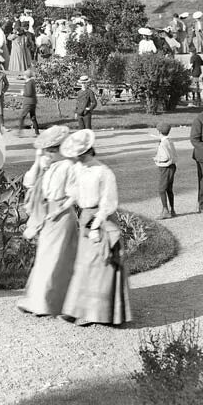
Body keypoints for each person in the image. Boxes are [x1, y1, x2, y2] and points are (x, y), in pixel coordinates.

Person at [59, 129, 132, 327]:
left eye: (81, 155)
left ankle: (98, 312)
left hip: (102, 219)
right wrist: (63, 207)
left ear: (90, 151)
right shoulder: (79, 169)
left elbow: (108, 203)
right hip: (85, 217)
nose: (78, 159)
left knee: (99, 265)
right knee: (83, 265)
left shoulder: (104, 172)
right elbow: (74, 192)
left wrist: (96, 225)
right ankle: (75, 309)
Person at [17, 125, 77, 316]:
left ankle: (47, 303)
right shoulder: (48, 166)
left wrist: (59, 209)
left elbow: (75, 194)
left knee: (56, 258)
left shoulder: (69, 166)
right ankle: (39, 299)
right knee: (45, 257)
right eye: (47, 151)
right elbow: (28, 182)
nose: (48, 154)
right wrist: (37, 161)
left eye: (52, 151)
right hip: (48, 213)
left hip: (62, 215)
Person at [151, 121, 178, 218]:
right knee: (169, 189)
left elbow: (165, 157)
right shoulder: (169, 140)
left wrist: (156, 159)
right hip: (172, 167)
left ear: (159, 132)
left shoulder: (163, 144)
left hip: (165, 168)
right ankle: (172, 210)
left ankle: (165, 210)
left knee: (161, 189)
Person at [17, 66, 40, 135]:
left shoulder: (29, 83)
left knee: (22, 116)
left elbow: (29, 93)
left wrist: (23, 93)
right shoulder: (31, 82)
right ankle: (37, 132)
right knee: (33, 117)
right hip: (33, 102)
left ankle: (20, 132)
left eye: (24, 75)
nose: (23, 76)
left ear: (26, 76)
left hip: (28, 102)